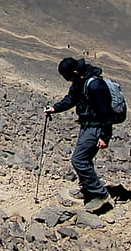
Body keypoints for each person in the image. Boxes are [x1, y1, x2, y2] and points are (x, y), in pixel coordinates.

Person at [44, 57, 113, 212]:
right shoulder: (79, 81)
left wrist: (104, 136)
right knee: (85, 158)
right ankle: (88, 189)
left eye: (67, 77)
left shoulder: (95, 85)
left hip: (95, 128)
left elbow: (106, 113)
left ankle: (100, 194)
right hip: (86, 125)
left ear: (75, 72)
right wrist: (55, 108)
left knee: (79, 160)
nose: (67, 80)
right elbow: (71, 99)